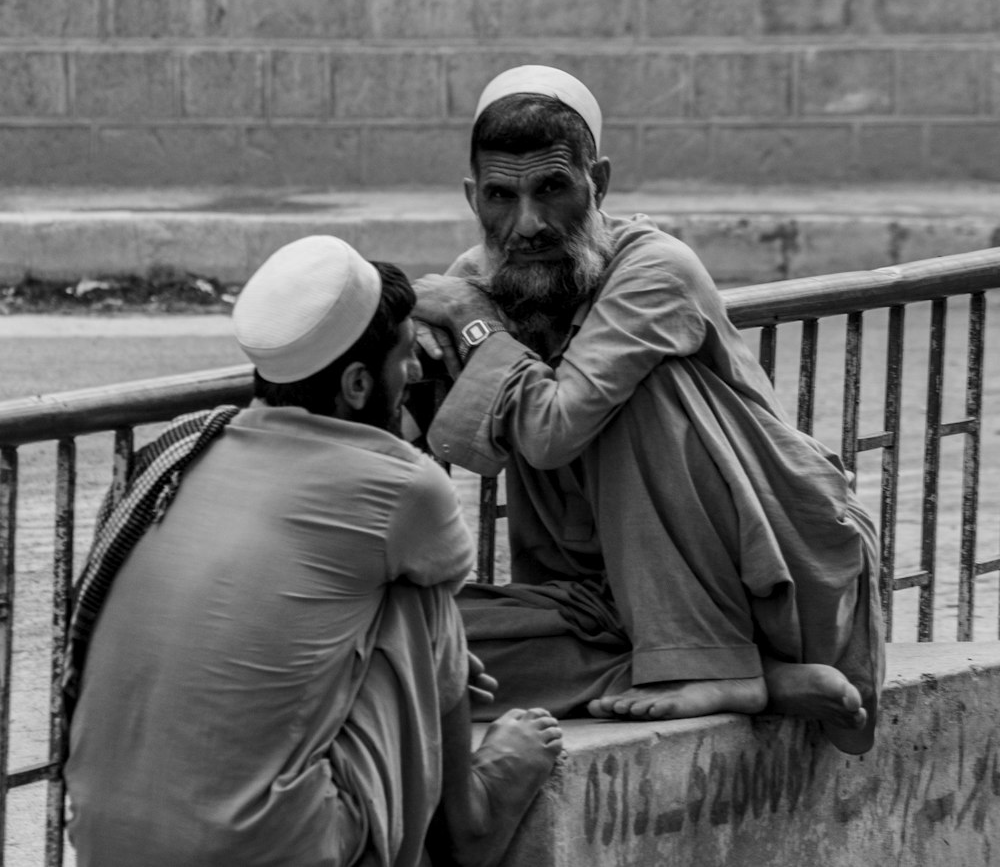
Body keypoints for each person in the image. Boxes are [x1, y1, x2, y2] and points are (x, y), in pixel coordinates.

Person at [411, 65, 885, 756]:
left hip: (758, 577)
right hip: (598, 606)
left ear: (597, 183)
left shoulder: (654, 269)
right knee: (413, 645)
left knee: (631, 394)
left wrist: (478, 326)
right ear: (471, 197)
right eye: (500, 197)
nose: (528, 224)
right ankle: (754, 678)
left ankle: (712, 658)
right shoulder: (478, 283)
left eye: (553, 190)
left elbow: (550, 432)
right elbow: (455, 443)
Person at [63, 234, 563, 867]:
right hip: (271, 850)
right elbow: (429, 618)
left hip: (106, 840)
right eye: (405, 358)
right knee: (420, 603)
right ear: (357, 383)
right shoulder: (403, 488)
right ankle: (472, 820)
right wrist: (447, 669)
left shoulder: (190, 447)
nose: (413, 375)